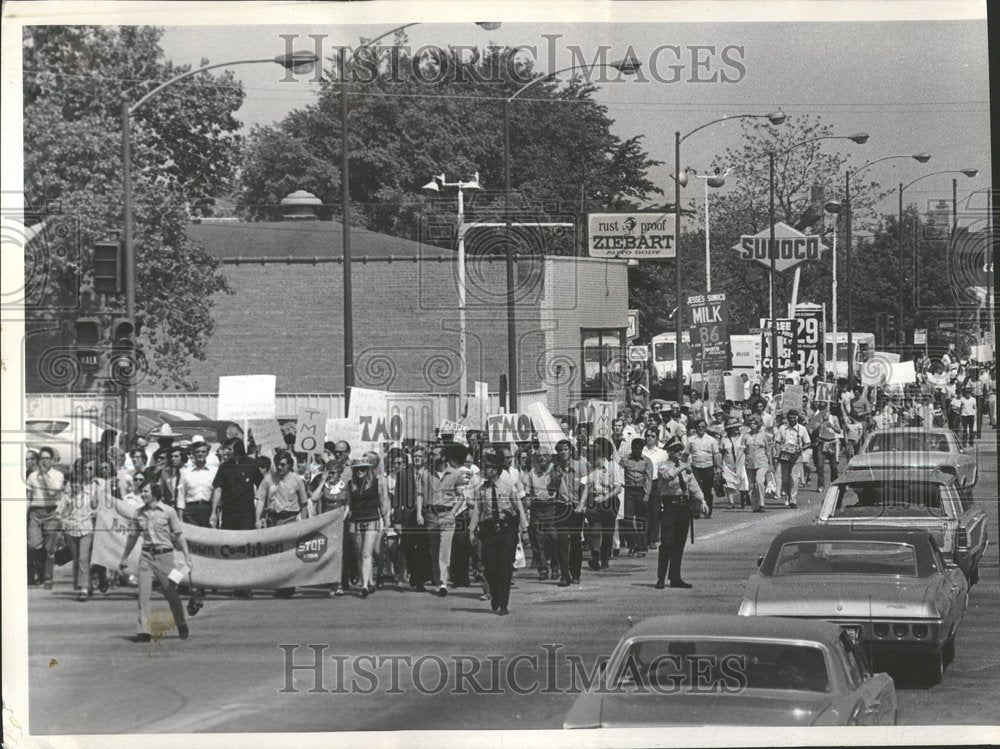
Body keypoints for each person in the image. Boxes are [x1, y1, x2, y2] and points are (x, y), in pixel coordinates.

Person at [119, 482, 193, 642]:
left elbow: (179, 535)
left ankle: (181, 622)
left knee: (171, 593)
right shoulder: (138, 513)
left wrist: (187, 557)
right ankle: (144, 630)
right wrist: (124, 556)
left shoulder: (169, 511)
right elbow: (132, 537)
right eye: (142, 491)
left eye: (145, 491)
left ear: (154, 492)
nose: (142, 494)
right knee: (143, 594)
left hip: (165, 558)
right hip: (146, 557)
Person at [468, 453, 528, 616]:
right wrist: (471, 530)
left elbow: (519, 507)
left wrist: (524, 530)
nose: (484, 471)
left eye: (487, 468)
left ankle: (503, 603)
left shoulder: (508, 486)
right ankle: (494, 593)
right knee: (490, 567)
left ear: (495, 470)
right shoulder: (481, 489)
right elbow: (477, 511)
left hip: (507, 530)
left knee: (505, 568)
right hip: (488, 531)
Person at [654, 437, 708, 589]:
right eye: (676, 450)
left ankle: (675, 577)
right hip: (669, 506)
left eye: (680, 450)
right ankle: (661, 577)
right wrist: (683, 467)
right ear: (669, 452)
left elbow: (693, 486)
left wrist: (702, 501)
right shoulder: (664, 466)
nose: (679, 453)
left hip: (683, 507)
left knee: (679, 543)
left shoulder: (685, 468)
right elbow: (668, 476)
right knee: (667, 542)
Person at [417, 443, 469, 597]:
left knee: (445, 549)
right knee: (433, 549)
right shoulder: (425, 473)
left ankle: (443, 582)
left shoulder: (455, 474)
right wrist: (419, 514)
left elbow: (461, 495)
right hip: (431, 515)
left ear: (443, 457)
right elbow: (419, 494)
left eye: (434, 454)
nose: (431, 457)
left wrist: (453, 512)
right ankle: (437, 577)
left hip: (447, 514)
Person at [344, 456, 390, 598]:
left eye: (363, 469)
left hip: (372, 519)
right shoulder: (351, 484)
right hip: (355, 520)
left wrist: (386, 519)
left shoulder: (378, 482)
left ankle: (364, 586)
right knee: (359, 554)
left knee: (366, 553)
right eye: (357, 469)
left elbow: (384, 501)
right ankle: (368, 581)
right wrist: (343, 517)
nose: (360, 472)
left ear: (368, 469)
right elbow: (349, 504)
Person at [57, 463, 101, 601]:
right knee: (77, 560)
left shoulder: (89, 495)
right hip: (71, 532)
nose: (75, 485)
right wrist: (66, 519)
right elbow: (58, 514)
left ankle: (83, 589)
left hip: (86, 530)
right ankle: (87, 585)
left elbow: (97, 510)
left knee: (83, 558)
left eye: (77, 482)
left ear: (81, 483)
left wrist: (94, 513)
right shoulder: (66, 498)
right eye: (72, 483)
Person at [581, 438, 623, 571]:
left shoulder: (613, 467)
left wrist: (605, 497)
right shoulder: (590, 468)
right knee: (594, 530)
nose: (592, 461)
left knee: (608, 531)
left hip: (610, 501)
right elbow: (587, 486)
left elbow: (618, 488)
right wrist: (583, 503)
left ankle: (604, 559)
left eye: (594, 458)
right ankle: (595, 555)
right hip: (594, 501)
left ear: (602, 457)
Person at [27, 446, 65, 590]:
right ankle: (39, 571)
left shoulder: (58, 475)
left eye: (47, 458)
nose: (44, 461)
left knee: (49, 549)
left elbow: (51, 492)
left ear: (53, 460)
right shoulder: (32, 476)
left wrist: (44, 475)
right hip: (36, 513)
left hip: (51, 512)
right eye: (42, 458)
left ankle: (47, 577)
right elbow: (29, 497)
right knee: (33, 546)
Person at [550, 438, 586, 586]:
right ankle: (565, 575)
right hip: (561, 507)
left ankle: (576, 573)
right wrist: (556, 478)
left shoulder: (580, 466)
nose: (563, 452)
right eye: (560, 450)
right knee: (562, 542)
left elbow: (586, 487)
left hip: (577, 507)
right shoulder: (554, 468)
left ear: (570, 451)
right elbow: (551, 490)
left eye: (565, 449)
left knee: (576, 542)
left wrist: (582, 505)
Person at [525, 446, 559, 580]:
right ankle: (543, 569)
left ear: (550, 457)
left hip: (552, 506)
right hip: (537, 507)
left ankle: (555, 567)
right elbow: (528, 492)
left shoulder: (555, 470)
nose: (542, 458)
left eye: (544, 455)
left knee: (553, 538)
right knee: (538, 540)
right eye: (539, 456)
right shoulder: (532, 473)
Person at [776, 410, 811, 508]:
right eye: (790, 418)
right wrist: (778, 453)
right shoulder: (782, 428)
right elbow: (777, 442)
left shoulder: (802, 429)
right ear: (787, 418)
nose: (792, 420)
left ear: (797, 418)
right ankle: (787, 496)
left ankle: (793, 500)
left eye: (794, 417)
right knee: (785, 479)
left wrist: (801, 448)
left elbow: (808, 443)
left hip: (796, 456)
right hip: (784, 456)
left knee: (794, 478)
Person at [686, 420, 721, 518]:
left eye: (703, 427)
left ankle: (707, 511)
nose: (701, 428)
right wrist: (685, 466)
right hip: (695, 467)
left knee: (707, 490)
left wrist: (718, 467)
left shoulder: (711, 440)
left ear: (705, 428)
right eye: (699, 427)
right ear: (696, 428)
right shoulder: (691, 440)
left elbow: (716, 454)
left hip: (708, 467)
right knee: (695, 489)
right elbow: (686, 453)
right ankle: (696, 511)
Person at [744, 417, 772, 513]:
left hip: (762, 461)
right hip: (750, 462)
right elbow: (742, 449)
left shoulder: (763, 435)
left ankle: (761, 503)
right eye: (751, 423)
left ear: (758, 425)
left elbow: (768, 450)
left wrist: (770, 463)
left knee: (759, 481)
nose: (752, 425)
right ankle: (754, 505)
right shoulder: (746, 436)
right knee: (752, 485)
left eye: (754, 423)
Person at [719, 418, 748, 510]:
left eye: (737, 427)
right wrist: (719, 465)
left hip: (741, 463)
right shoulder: (724, 439)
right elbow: (720, 452)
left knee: (744, 480)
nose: (736, 428)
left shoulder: (743, 437)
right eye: (734, 427)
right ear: (729, 429)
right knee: (728, 482)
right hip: (727, 463)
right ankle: (731, 502)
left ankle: (744, 496)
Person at [813, 404, 843, 492]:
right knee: (820, 465)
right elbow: (811, 429)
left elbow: (839, 430)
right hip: (821, 443)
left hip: (831, 443)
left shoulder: (834, 418)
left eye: (825, 409)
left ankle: (834, 482)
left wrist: (832, 426)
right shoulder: (818, 417)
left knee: (833, 466)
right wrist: (821, 421)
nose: (824, 411)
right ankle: (821, 485)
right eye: (822, 409)